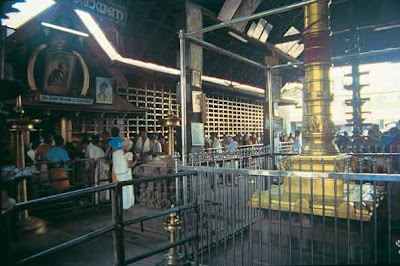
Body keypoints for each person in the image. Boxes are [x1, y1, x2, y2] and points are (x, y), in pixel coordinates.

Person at [112, 139, 135, 209]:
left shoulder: (115, 153)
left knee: (120, 190)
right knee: (127, 189)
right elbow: (130, 166)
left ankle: (119, 204)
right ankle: (126, 205)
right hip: (126, 174)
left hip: (118, 174)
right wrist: (136, 160)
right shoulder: (129, 154)